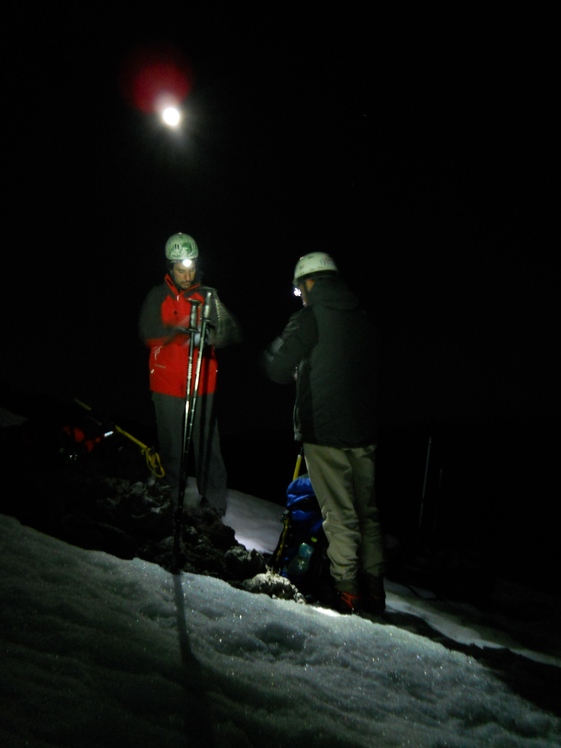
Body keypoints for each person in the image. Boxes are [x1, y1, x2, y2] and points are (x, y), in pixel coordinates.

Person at [260, 252, 386, 614]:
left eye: (300, 288)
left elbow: (277, 367)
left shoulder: (309, 318)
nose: (300, 295)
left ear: (311, 283)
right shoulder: (363, 320)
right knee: (367, 513)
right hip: (363, 431)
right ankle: (374, 592)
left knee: (339, 514)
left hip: (325, 432)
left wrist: (283, 361)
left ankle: (347, 595)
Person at [139, 232, 241, 517]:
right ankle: (172, 500)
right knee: (171, 449)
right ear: (170, 268)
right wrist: (179, 328)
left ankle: (214, 506)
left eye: (191, 268)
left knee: (208, 448)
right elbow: (148, 332)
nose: (187, 275)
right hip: (167, 385)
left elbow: (230, 331)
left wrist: (212, 333)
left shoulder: (208, 294)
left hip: (202, 385)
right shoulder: (157, 295)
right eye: (181, 270)